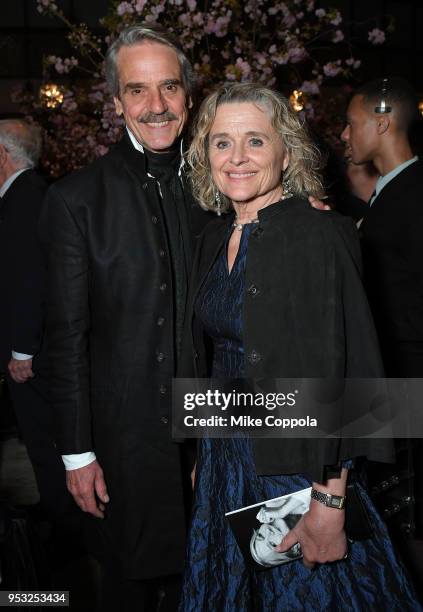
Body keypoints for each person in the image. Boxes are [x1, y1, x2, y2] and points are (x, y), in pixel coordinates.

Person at [178, 82, 420, 611]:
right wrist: (206, 450)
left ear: (287, 152)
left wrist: (330, 501)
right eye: (221, 143)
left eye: (255, 142)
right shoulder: (212, 237)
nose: (237, 158)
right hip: (227, 457)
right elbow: (216, 356)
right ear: (205, 154)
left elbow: (352, 373)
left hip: (299, 464)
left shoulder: (321, 233)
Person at [40, 25, 208, 611]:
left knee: (215, 578)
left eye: (168, 87)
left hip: (219, 428)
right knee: (131, 585)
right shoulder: (75, 200)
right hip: (127, 437)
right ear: (116, 103)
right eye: (137, 91)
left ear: (189, 95)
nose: (156, 105)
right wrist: (77, 453)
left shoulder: (224, 183)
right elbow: (64, 339)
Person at [341, 76, 423, 596]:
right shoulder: (394, 195)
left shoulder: (410, 197)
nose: (345, 136)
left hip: (404, 387)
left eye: (351, 124)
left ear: (382, 120)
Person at [0, 119, 73, 523]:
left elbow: (32, 279)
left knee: (45, 442)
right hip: (32, 348)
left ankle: (61, 525)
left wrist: (22, 350)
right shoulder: (30, 194)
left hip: (33, 353)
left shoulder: (25, 199)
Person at [251, 494, 310, 567]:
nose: (268, 531)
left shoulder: (274, 502)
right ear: (294, 550)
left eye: (260, 535)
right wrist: (283, 510)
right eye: (272, 544)